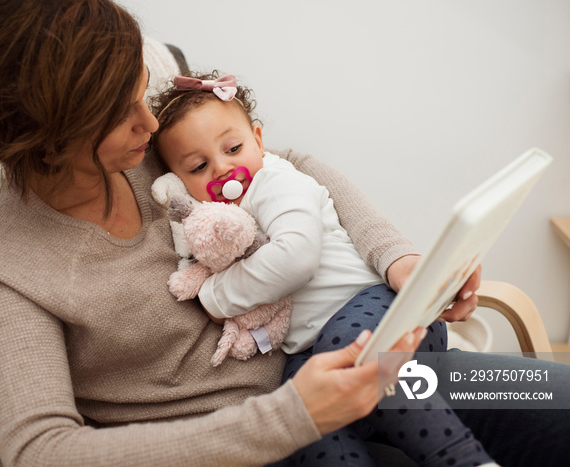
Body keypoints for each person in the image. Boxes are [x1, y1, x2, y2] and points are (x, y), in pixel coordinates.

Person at [0, 1, 569, 466]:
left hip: (356, 355)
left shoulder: (149, 153)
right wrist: (290, 416)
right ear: (54, 139)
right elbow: (41, 449)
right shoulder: (10, 273)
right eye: (122, 112)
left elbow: (293, 166)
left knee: (559, 398)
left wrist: (402, 262)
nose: (148, 119)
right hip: (259, 441)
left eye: (141, 93)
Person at [149, 72, 497, 467]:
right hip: (313, 350)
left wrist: (215, 297)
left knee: (354, 355)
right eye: (198, 166)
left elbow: (295, 256)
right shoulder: (215, 225)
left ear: (259, 142)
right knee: (299, 420)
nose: (223, 168)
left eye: (233, 147)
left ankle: (465, 459)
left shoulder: (275, 181)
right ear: (175, 181)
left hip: (382, 311)